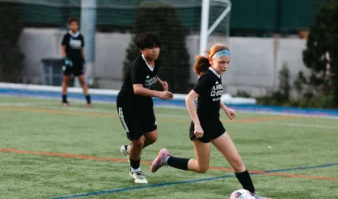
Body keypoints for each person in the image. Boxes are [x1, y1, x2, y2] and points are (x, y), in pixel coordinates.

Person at [150, 44, 271, 199]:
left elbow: (212, 95)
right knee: (202, 167)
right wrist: (198, 124)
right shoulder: (207, 77)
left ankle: (253, 195)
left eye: (228, 62)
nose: (225, 66)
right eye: (222, 62)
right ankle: (166, 159)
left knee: (237, 161)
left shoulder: (217, 75)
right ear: (211, 60)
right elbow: (189, 99)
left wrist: (225, 107)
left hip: (216, 126)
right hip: (201, 129)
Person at [116, 32, 173, 184]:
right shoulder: (137, 65)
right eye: (150, 48)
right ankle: (135, 170)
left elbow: (152, 73)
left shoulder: (156, 60)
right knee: (139, 141)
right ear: (141, 50)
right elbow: (137, 89)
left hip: (145, 103)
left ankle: (130, 149)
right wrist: (159, 93)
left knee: (152, 137)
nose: (154, 51)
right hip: (128, 105)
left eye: (156, 47)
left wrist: (160, 81)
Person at [61, 16, 91, 107]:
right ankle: (64, 101)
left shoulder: (80, 36)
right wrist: (65, 60)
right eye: (72, 24)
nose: (74, 26)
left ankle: (88, 101)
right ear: (69, 26)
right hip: (69, 62)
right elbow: (63, 49)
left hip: (78, 63)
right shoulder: (67, 36)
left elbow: (81, 50)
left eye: (76, 24)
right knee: (66, 80)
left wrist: (83, 60)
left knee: (82, 80)